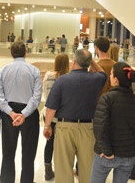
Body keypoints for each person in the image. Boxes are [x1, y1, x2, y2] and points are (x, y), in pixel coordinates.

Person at [43, 49, 107, 183]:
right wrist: (91, 61)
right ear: (88, 63)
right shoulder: (96, 79)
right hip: (89, 128)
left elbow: (51, 108)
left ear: (74, 62)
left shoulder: (62, 80)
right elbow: (102, 72)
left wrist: (47, 126)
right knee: (88, 168)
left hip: (65, 127)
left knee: (63, 168)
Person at [0, 42, 42, 183]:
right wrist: (24, 114)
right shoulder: (34, 71)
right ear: (25, 52)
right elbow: (37, 96)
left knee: (8, 152)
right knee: (29, 153)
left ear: (11, 53)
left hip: (9, 114)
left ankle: (7, 180)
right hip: (30, 113)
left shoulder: (3, 70)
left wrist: (11, 113)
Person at [90, 62, 135, 183]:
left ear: (116, 80)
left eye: (111, 74)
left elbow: (100, 128)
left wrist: (107, 151)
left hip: (107, 154)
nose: (109, 76)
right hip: (128, 155)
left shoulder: (107, 98)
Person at [41, 53, 70, 181]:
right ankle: (62, 170)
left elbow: (45, 93)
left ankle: (48, 170)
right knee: (63, 145)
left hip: (48, 113)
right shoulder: (68, 78)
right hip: (63, 116)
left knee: (49, 143)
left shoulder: (48, 75)